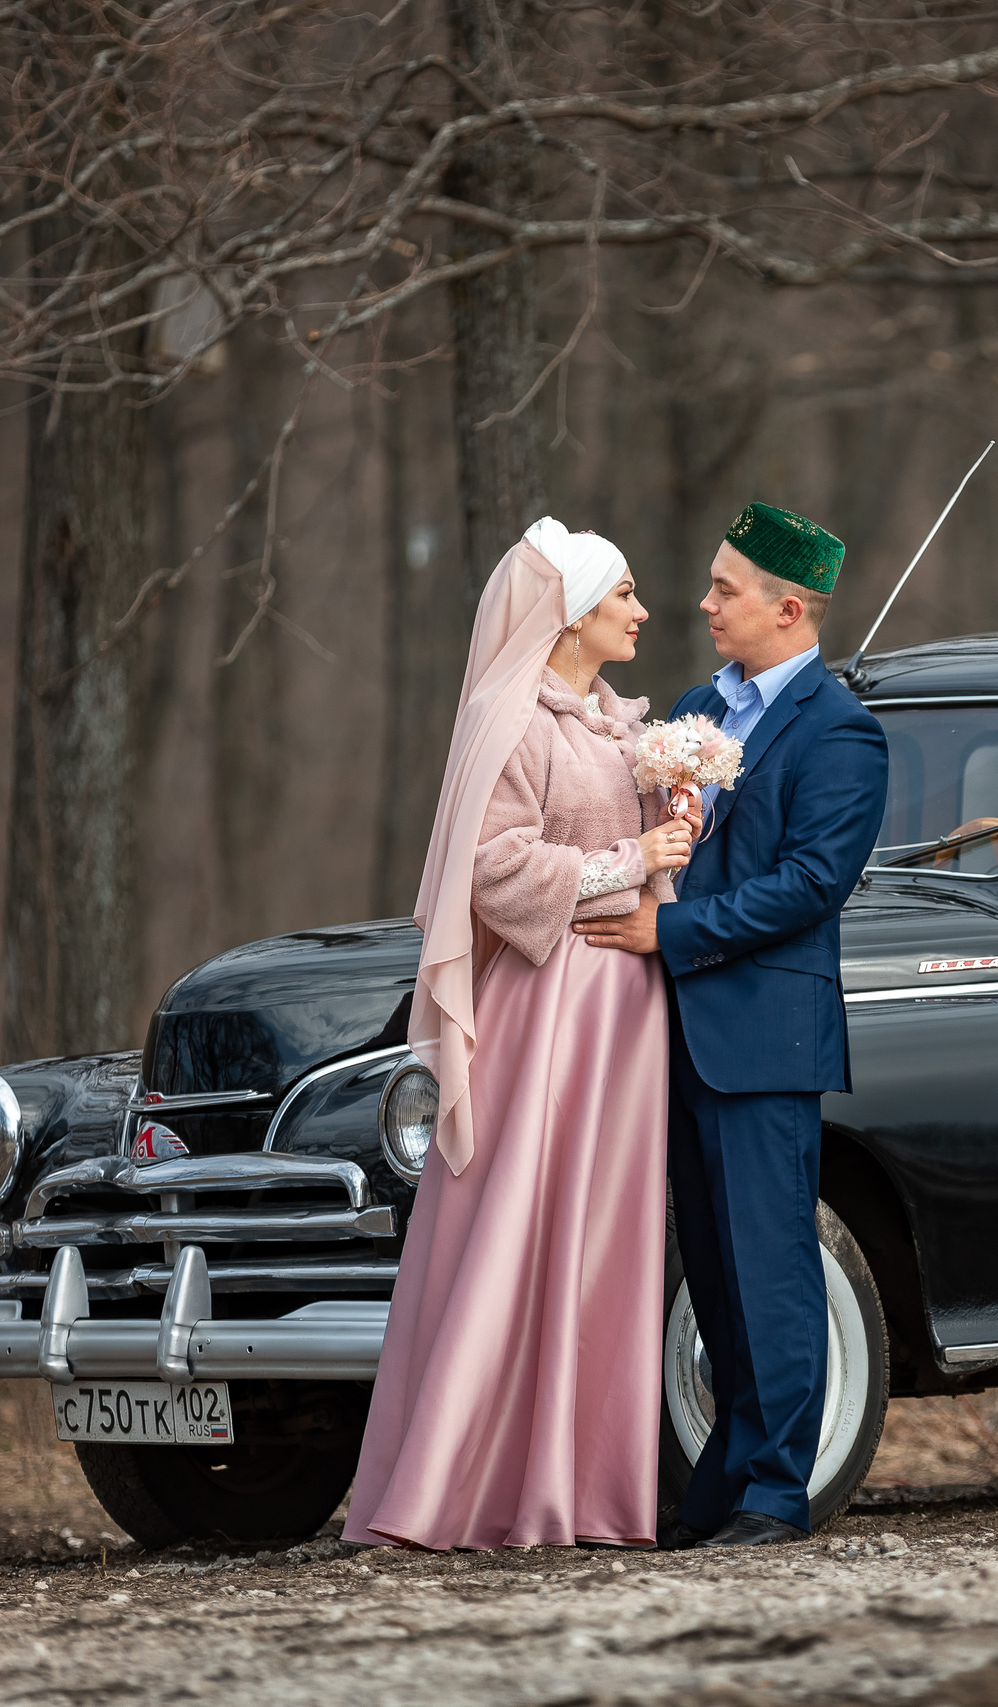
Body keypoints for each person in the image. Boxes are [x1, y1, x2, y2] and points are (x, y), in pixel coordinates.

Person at [345, 518, 698, 1552]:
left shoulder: (616, 725)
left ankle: (584, 1485)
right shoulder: (515, 720)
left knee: (602, 1243)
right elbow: (493, 870)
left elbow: (641, 849)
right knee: (522, 1232)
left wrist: (682, 818)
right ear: (574, 614)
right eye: (623, 594)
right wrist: (632, 860)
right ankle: (483, 1484)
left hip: (623, 1014)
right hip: (551, 1012)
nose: (642, 611)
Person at [574, 502, 889, 1549]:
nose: (703, 602)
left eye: (725, 588)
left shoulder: (841, 732)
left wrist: (668, 932)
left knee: (771, 1265)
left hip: (764, 1037)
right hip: (673, 1034)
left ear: (788, 609)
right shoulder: (697, 708)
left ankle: (777, 1489)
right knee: (708, 1271)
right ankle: (724, 1475)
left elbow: (809, 885)